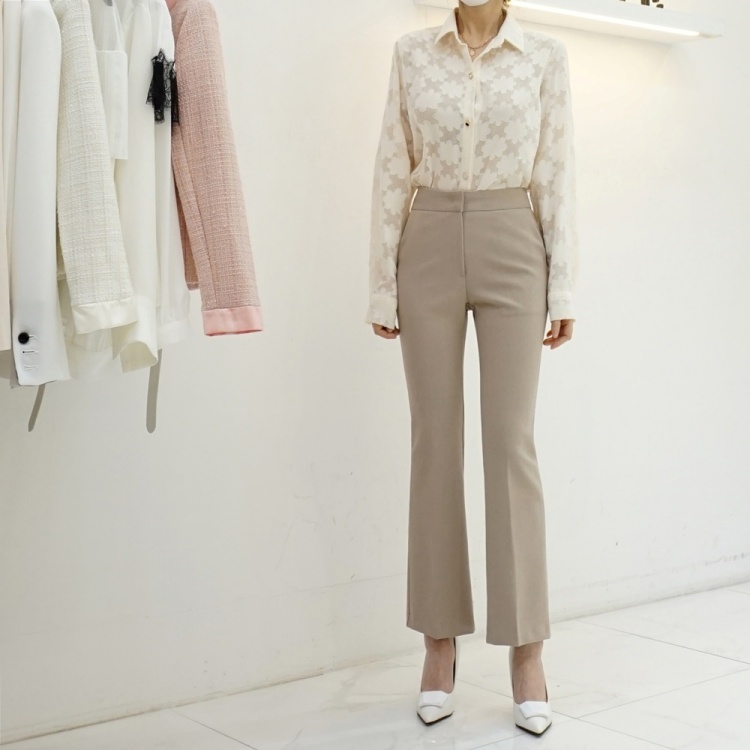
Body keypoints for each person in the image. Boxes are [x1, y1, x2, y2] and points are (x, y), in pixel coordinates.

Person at [366, 0, 578, 736]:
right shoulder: (412, 52)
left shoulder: (544, 57)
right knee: (435, 442)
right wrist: (382, 282)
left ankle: (527, 651)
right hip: (426, 239)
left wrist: (564, 286)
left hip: (513, 237)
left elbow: (557, 172)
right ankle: (438, 644)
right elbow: (391, 167)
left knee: (511, 444)